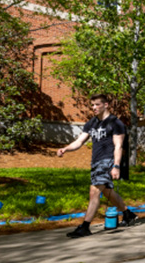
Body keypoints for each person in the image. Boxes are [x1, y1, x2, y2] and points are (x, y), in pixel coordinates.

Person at [58, 94, 137, 238]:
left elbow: (118, 146)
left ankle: (85, 226)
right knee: (107, 192)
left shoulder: (115, 123)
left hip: (108, 161)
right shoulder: (91, 123)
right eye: (92, 105)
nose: (94, 108)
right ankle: (128, 214)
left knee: (94, 192)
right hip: (95, 162)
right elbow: (79, 141)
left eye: (97, 104)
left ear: (106, 105)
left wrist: (116, 166)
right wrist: (66, 149)